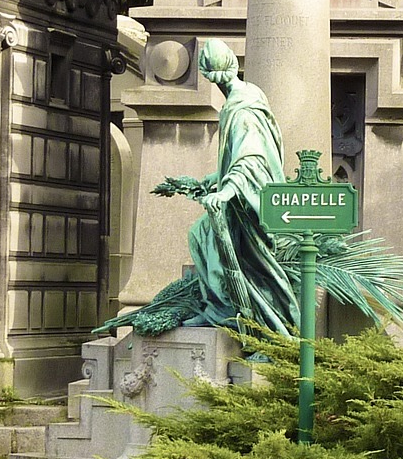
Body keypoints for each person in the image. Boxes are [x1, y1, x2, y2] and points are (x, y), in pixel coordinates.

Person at [104, 40, 300, 336]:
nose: (210, 82)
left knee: (206, 237)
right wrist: (210, 181)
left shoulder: (241, 107)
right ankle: (222, 309)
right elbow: (236, 158)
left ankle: (233, 313)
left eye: (209, 76)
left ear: (216, 74)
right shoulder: (250, 95)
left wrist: (226, 191)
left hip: (249, 201)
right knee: (203, 235)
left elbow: (251, 158)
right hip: (242, 194)